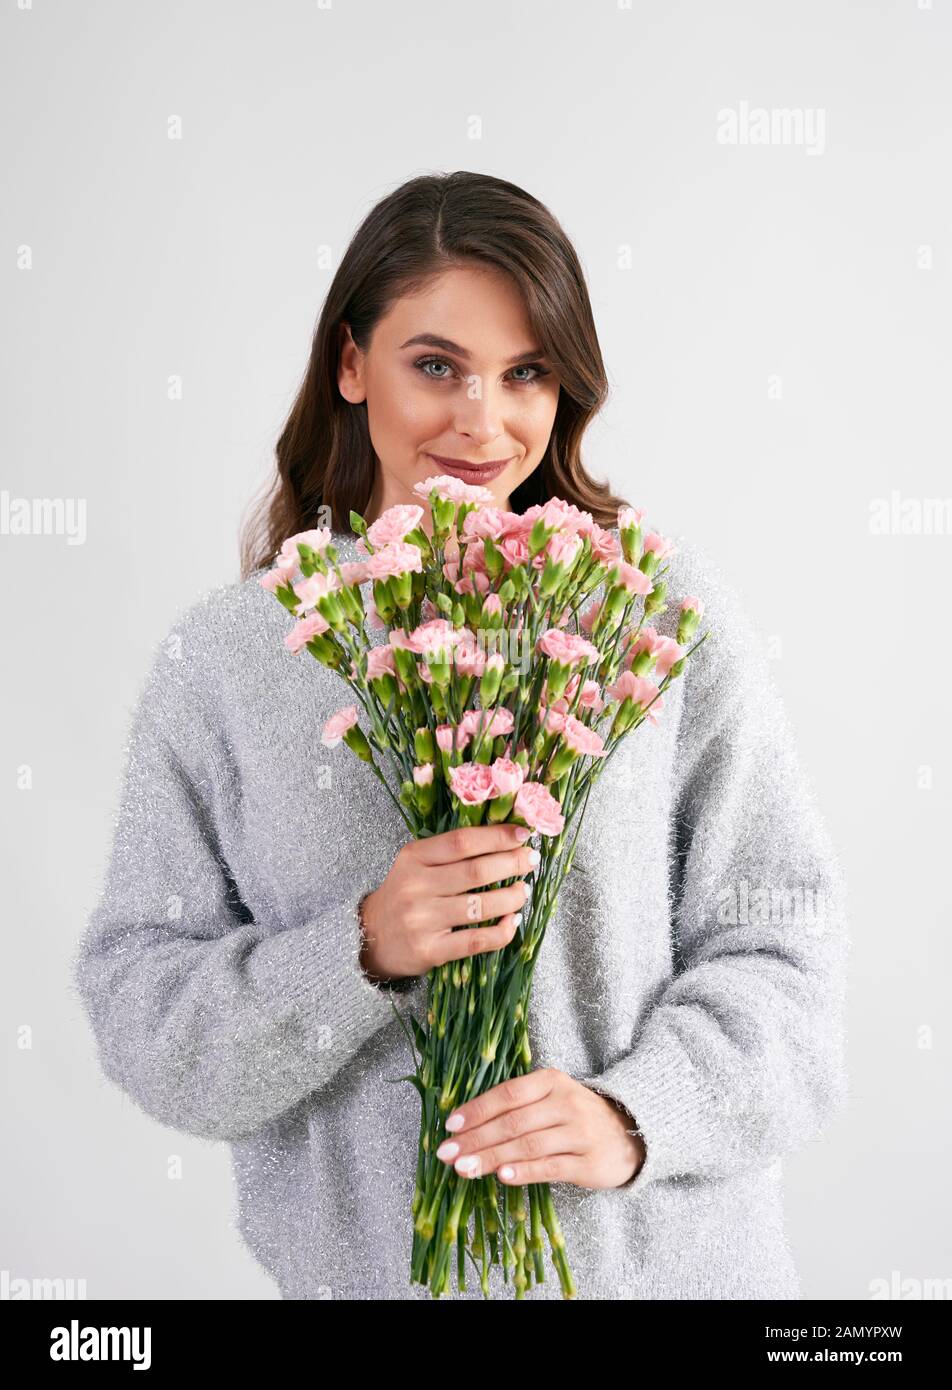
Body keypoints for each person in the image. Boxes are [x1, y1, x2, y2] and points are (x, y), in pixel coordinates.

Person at [71, 170, 850, 1300]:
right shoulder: (233, 663)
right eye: (435, 365)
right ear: (351, 365)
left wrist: (638, 1116)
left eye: (525, 372)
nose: (482, 420)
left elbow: (787, 945)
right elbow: (147, 1019)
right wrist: (357, 950)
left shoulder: (653, 611)